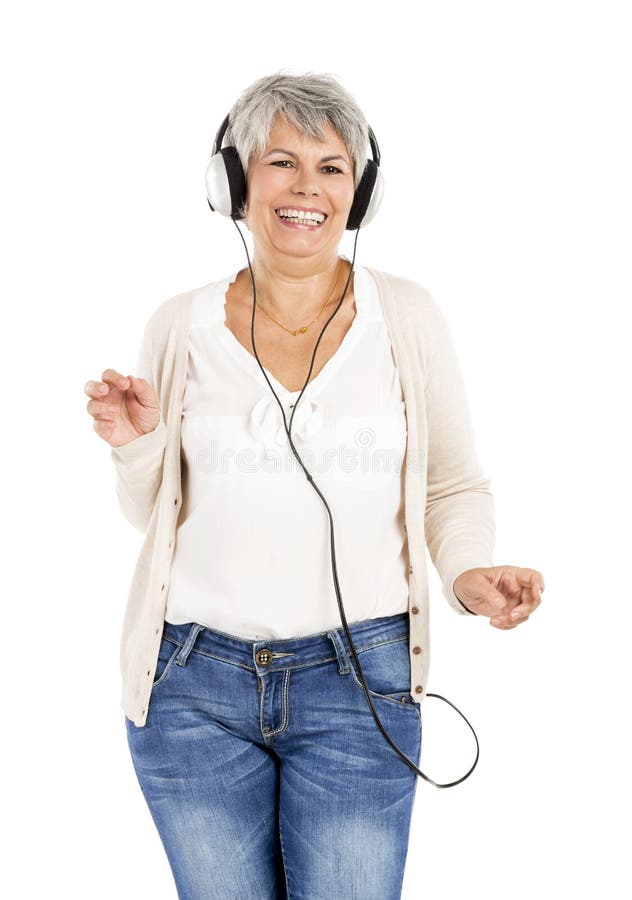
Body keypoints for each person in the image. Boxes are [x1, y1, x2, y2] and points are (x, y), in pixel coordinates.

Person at [84, 72, 544, 899]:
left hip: (360, 680)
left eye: (331, 168)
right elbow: (147, 514)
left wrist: (467, 572)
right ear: (233, 181)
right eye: (280, 162)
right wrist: (135, 444)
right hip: (192, 687)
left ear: (358, 191)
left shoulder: (406, 316)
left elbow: (451, 484)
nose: (306, 189)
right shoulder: (177, 323)